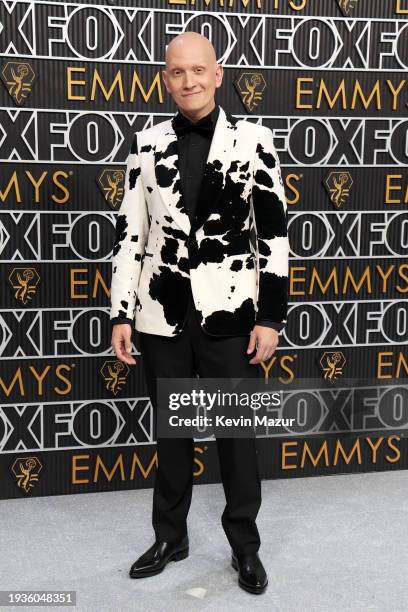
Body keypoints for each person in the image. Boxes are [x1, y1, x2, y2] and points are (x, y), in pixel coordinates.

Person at [110, 31, 289, 595]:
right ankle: (171, 536)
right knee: (173, 437)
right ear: (166, 77)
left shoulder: (255, 140)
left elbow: (274, 236)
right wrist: (121, 313)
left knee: (236, 439)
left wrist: (270, 318)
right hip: (161, 316)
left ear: (218, 75)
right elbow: (130, 236)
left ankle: (244, 546)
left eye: (199, 70)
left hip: (232, 314)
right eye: (177, 71)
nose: (188, 80)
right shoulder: (146, 143)